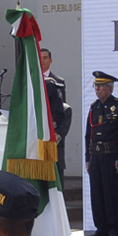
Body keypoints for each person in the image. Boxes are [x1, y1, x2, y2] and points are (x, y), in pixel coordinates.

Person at [85, 71, 118, 236]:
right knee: (97, 192)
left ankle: (115, 229)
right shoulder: (94, 106)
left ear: (109, 88)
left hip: (112, 155)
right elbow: (88, 134)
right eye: (95, 86)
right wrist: (87, 158)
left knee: (112, 193)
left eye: (101, 86)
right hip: (96, 154)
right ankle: (101, 227)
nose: (97, 89)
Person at [40, 47, 73, 176]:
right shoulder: (32, 80)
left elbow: (61, 109)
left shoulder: (58, 81)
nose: (42, 61)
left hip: (54, 132)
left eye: (45, 58)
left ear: (51, 60)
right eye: (40, 58)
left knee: (56, 172)